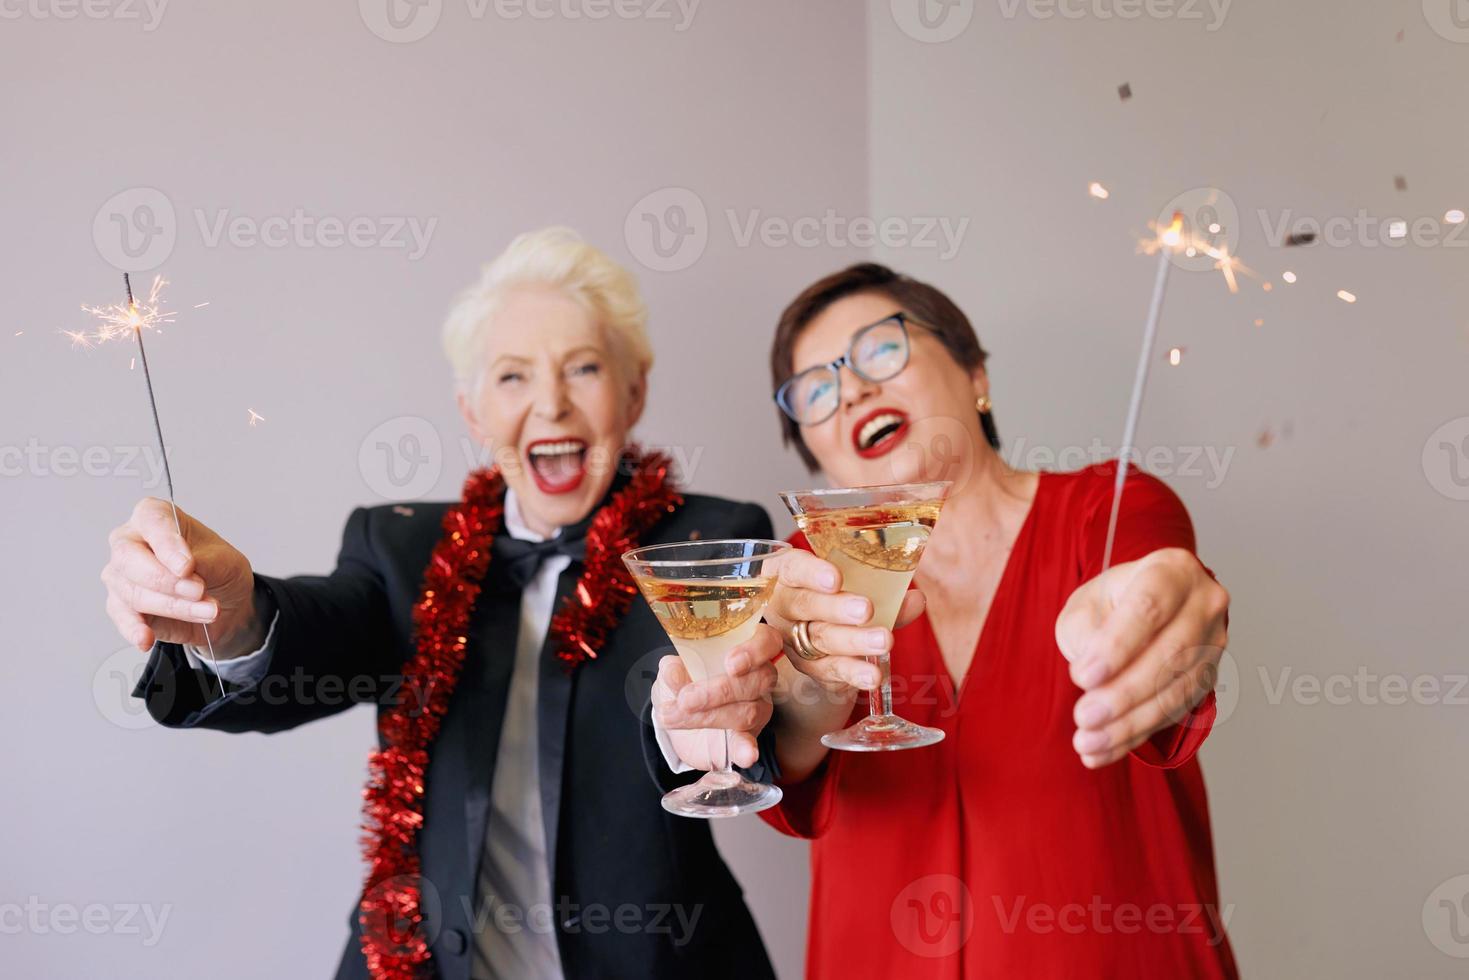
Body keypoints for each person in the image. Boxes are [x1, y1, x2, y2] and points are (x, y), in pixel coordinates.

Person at [100, 228, 785, 980]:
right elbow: (320, 631)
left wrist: (700, 721)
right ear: (472, 411)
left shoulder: (714, 539)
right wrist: (230, 614)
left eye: (583, 368)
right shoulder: (401, 547)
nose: (550, 404)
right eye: (512, 377)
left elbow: (740, 707)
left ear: (633, 391)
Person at [651, 263, 1239, 978]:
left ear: (975, 374)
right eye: (815, 390)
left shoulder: (1107, 510)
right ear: (816, 452)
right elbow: (784, 745)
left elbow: (1159, 589)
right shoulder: (803, 572)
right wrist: (762, 703)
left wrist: (1169, 622)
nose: (853, 391)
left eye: (879, 350)